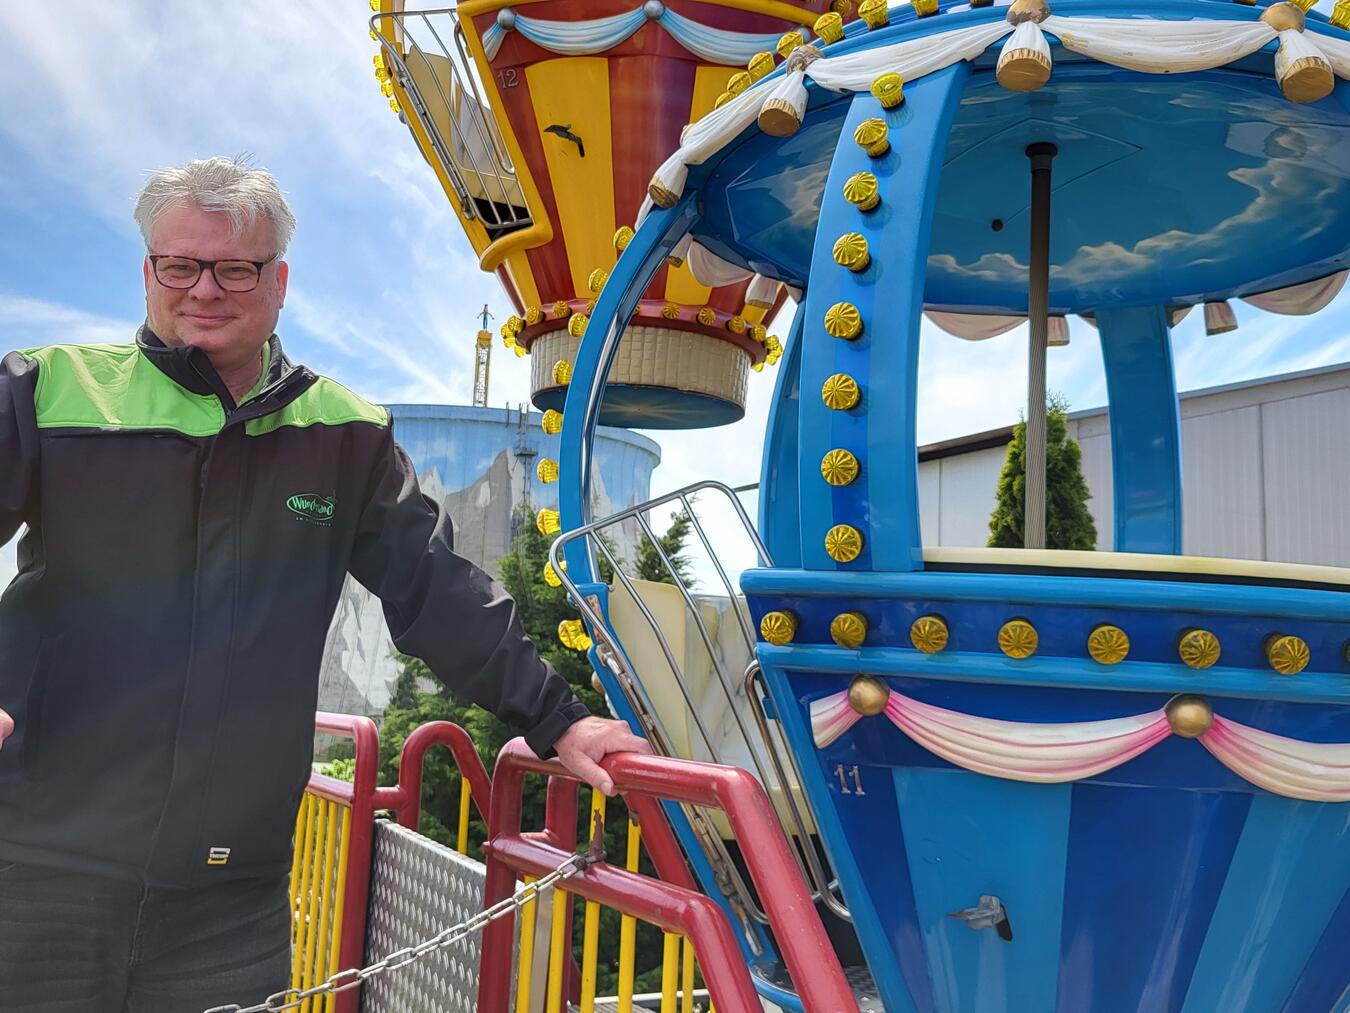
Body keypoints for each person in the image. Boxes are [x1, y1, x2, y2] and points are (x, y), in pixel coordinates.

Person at [0, 156, 648, 1011]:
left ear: (279, 282)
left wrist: (559, 720)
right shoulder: (49, 391)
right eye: (180, 265)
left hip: (230, 897)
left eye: (236, 268)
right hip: (40, 867)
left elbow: (435, 591)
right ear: (147, 271)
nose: (206, 289)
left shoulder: (343, 430)